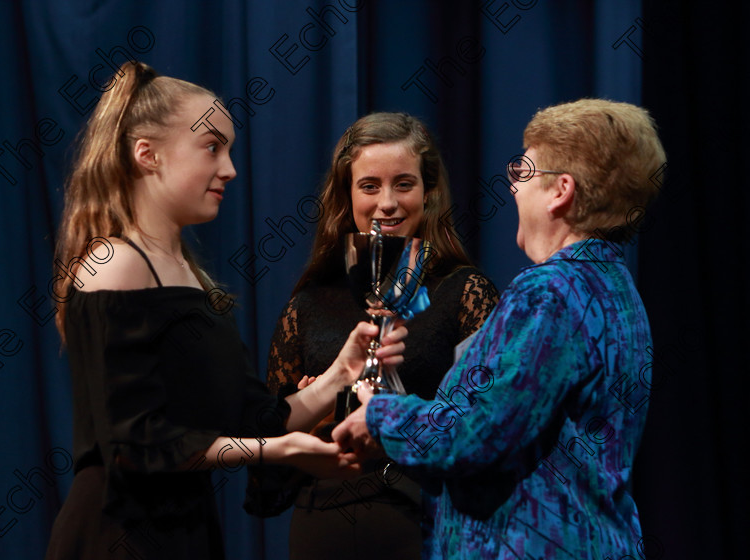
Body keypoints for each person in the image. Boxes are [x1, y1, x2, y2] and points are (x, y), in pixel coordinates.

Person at [44, 61, 407, 560]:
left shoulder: (192, 277)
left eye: (229, 149)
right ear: (147, 155)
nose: (230, 169)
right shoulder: (114, 266)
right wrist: (276, 451)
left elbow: (257, 418)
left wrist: (339, 376)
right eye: (212, 147)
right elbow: (134, 443)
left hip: (186, 533)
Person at [333, 99, 667, 559]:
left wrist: (379, 413)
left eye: (523, 170)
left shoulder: (548, 293)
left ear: (560, 191)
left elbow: (476, 435)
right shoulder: (617, 288)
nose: (512, 187)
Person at [255, 112, 499, 560]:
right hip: (322, 529)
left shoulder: (464, 293)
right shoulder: (307, 306)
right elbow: (268, 462)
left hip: (427, 529)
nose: (387, 203)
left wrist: (395, 419)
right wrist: (314, 412)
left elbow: (488, 433)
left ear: (428, 194)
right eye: (370, 186)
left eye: (403, 184)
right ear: (346, 197)